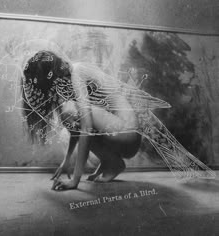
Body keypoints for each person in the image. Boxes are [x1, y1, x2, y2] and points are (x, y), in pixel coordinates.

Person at [21, 50, 215, 191]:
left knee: (72, 113)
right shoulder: (72, 74)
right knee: (71, 114)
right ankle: (111, 162)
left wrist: (75, 181)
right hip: (124, 136)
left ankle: (112, 162)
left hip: (127, 135)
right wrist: (66, 161)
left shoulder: (76, 73)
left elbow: (85, 127)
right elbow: (76, 128)